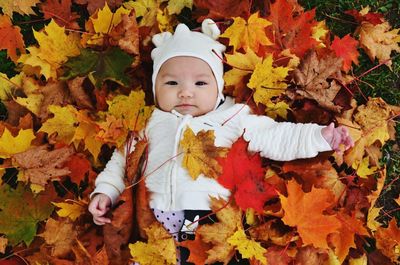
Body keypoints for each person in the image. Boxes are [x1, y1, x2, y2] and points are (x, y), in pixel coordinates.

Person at [88, 19, 354, 263]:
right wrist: (106, 191)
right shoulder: (151, 122)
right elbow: (123, 160)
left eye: (201, 83)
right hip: (152, 220)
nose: (185, 92)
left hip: (206, 216)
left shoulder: (232, 117)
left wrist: (319, 136)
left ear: (218, 87)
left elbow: (276, 136)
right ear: (155, 89)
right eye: (171, 82)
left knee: (201, 257)